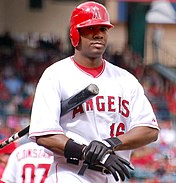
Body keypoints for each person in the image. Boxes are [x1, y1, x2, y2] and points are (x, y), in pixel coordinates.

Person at [28, 1, 160, 183]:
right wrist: (87, 152)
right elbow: (45, 135)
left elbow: (150, 130)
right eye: (90, 28)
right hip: (72, 173)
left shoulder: (126, 79)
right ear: (75, 34)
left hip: (115, 174)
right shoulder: (55, 75)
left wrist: (110, 143)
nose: (98, 34)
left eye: (103, 29)